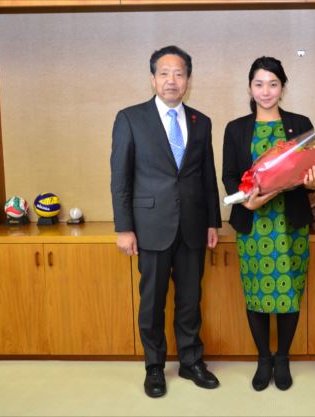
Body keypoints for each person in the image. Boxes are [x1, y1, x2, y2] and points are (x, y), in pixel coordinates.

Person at [110, 45, 222, 398]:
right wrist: (124, 228)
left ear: (188, 80)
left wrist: (212, 223)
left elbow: (207, 176)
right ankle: (154, 367)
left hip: (192, 226)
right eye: (164, 73)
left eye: (179, 74)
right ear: (152, 78)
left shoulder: (200, 121)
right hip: (149, 227)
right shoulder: (130, 118)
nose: (171, 80)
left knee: (190, 299)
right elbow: (120, 178)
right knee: (152, 300)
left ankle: (191, 361)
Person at [222, 56, 315, 391]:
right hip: (254, 224)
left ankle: (282, 357)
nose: (265, 91)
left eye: (273, 84)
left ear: (283, 87)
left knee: (289, 293)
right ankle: (262, 358)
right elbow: (228, 176)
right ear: (250, 87)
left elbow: (312, 171)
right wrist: (247, 199)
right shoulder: (236, 128)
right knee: (256, 294)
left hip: (291, 223)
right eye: (259, 84)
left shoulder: (300, 123)